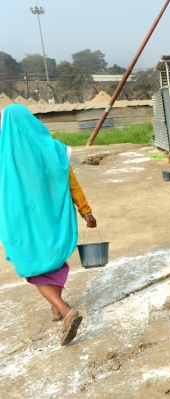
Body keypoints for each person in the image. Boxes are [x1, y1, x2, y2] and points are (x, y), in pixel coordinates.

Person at [0, 104, 97, 346]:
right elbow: (71, 183)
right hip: (52, 221)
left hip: (22, 225)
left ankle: (65, 312)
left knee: (34, 270)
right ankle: (56, 310)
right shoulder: (54, 149)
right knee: (53, 264)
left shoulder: (4, 157)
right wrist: (86, 211)